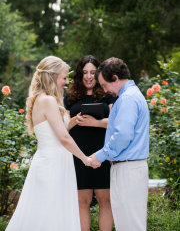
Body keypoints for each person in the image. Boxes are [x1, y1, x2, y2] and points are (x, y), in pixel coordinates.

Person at [5, 56, 93, 231]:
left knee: (47, 212)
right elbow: (64, 138)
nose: (66, 82)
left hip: (50, 161)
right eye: (64, 77)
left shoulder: (41, 98)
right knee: (50, 215)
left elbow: (58, 129)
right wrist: (85, 159)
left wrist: (75, 119)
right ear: (52, 76)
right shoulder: (48, 100)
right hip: (53, 164)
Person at [90, 57, 149, 231]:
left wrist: (99, 156)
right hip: (127, 169)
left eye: (104, 84)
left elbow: (122, 135)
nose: (105, 90)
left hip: (128, 170)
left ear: (115, 78)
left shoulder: (127, 99)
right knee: (127, 224)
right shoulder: (129, 96)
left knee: (130, 225)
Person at [64, 55, 115, 231]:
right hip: (79, 154)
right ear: (80, 74)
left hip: (103, 153)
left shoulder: (107, 95)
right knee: (82, 202)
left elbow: (116, 122)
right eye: (85, 72)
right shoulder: (70, 96)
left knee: (105, 200)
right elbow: (63, 127)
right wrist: (75, 120)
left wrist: (96, 123)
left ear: (98, 74)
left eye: (93, 72)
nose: (89, 76)